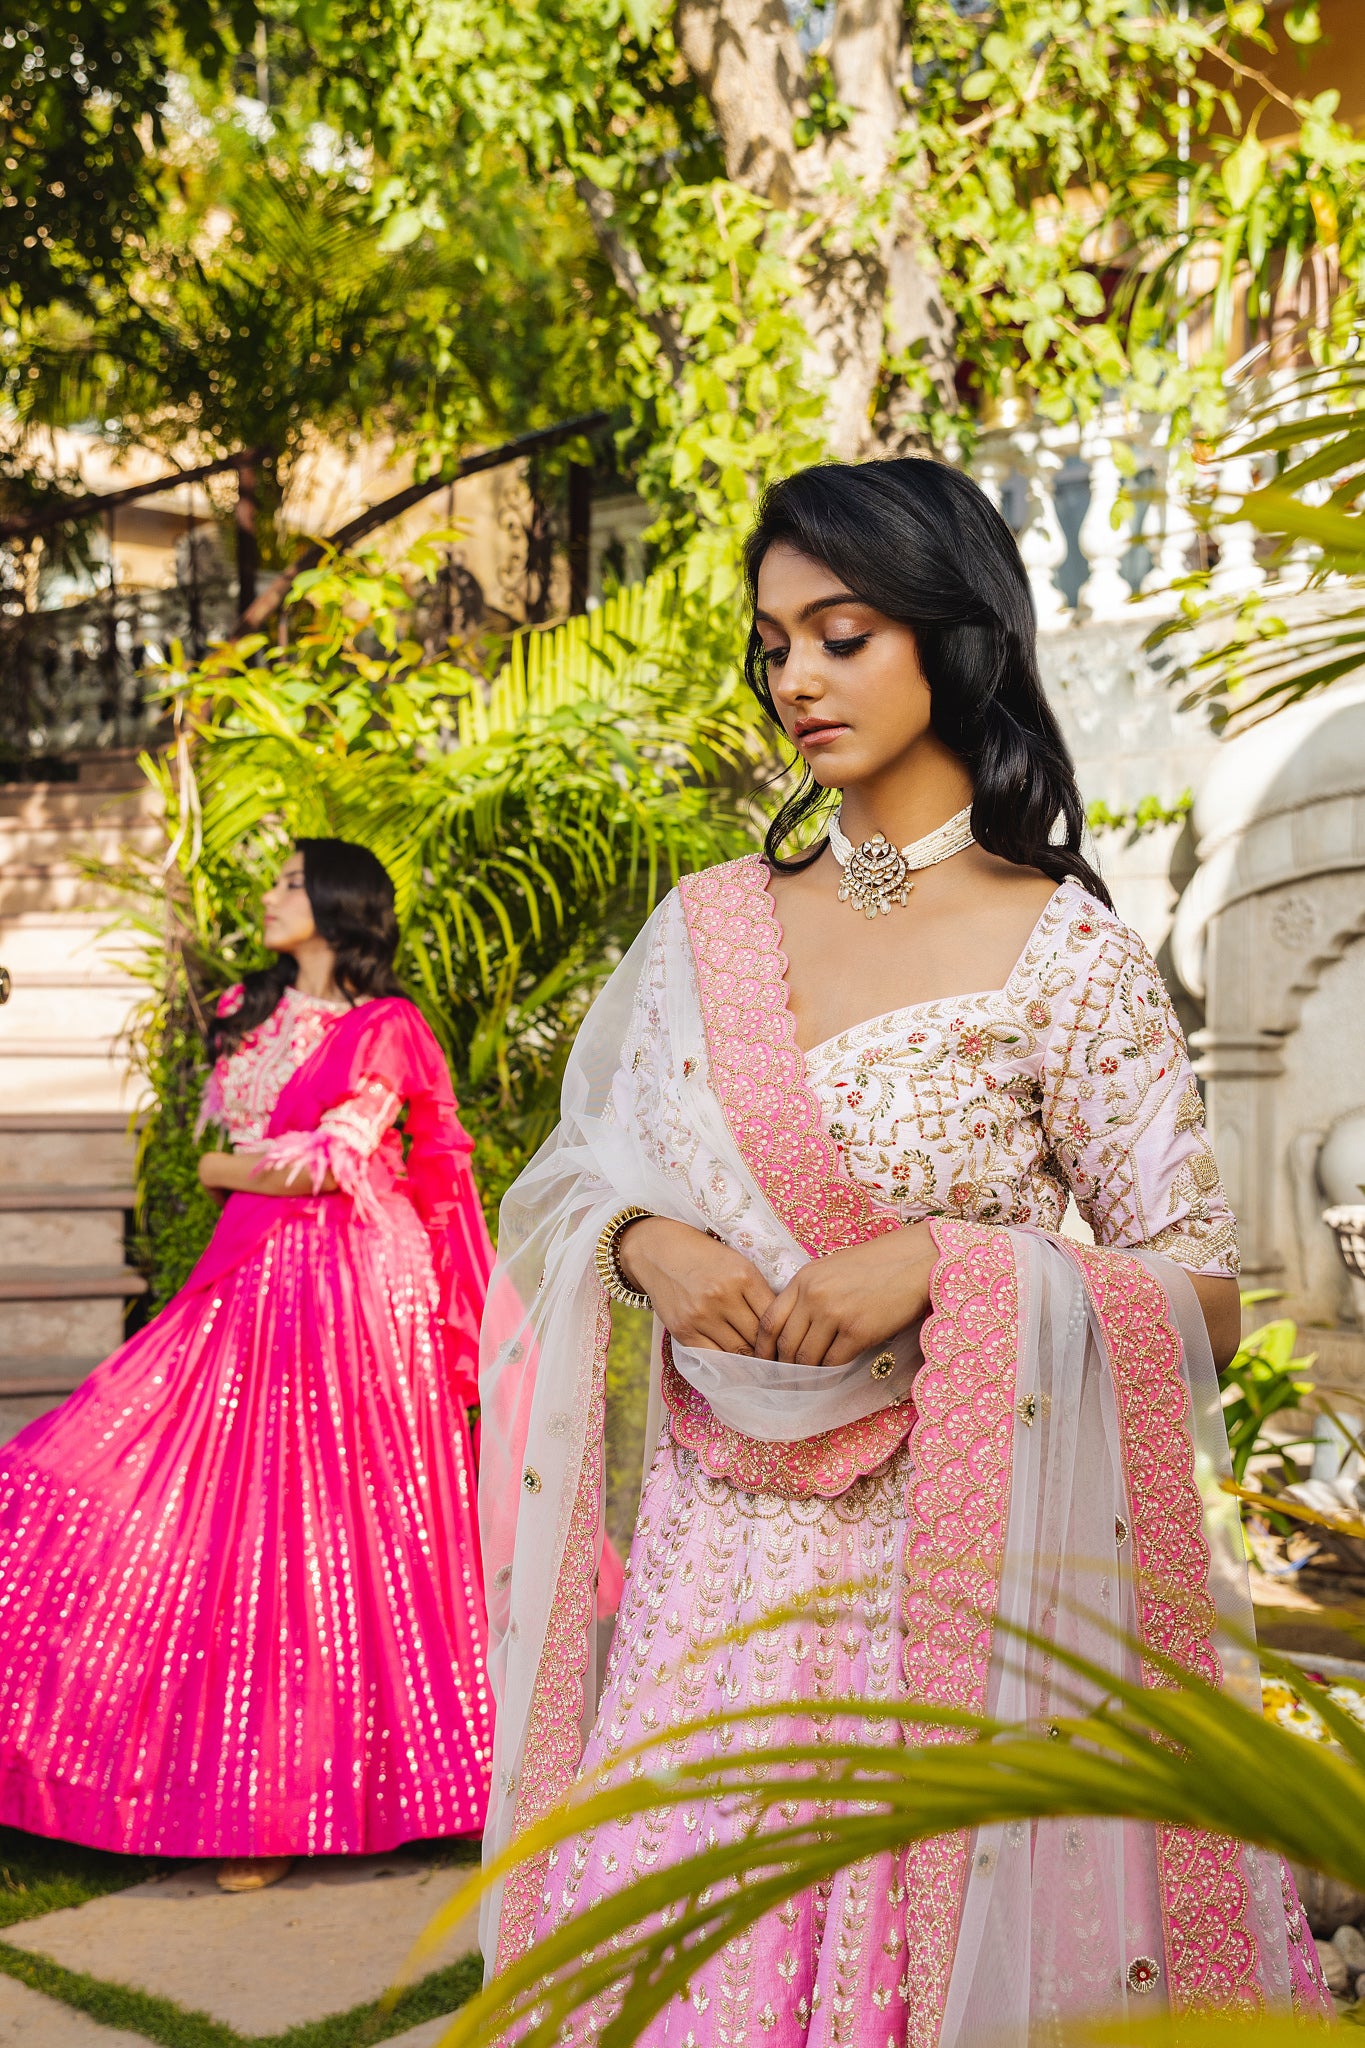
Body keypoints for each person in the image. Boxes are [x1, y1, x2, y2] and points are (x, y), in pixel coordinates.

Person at [476, 461, 1330, 2041]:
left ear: (953, 638)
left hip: (945, 1597)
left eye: (841, 633)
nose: (795, 677)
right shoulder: (711, 923)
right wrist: (647, 1238)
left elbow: (1198, 1294)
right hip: (705, 1602)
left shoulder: (1065, 951)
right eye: (774, 644)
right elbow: (578, 1179)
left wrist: (947, 1261)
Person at [0, 838, 494, 1891]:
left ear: (336, 901)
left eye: (286, 881)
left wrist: (268, 1165)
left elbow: (339, 1164)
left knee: (339, 1532)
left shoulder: (386, 1025)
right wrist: (268, 1164)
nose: (269, 898)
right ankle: (249, 1787)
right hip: (253, 1282)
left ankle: (332, 1797)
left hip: (357, 1294)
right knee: (192, 1505)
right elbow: (219, 1151)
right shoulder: (247, 1010)